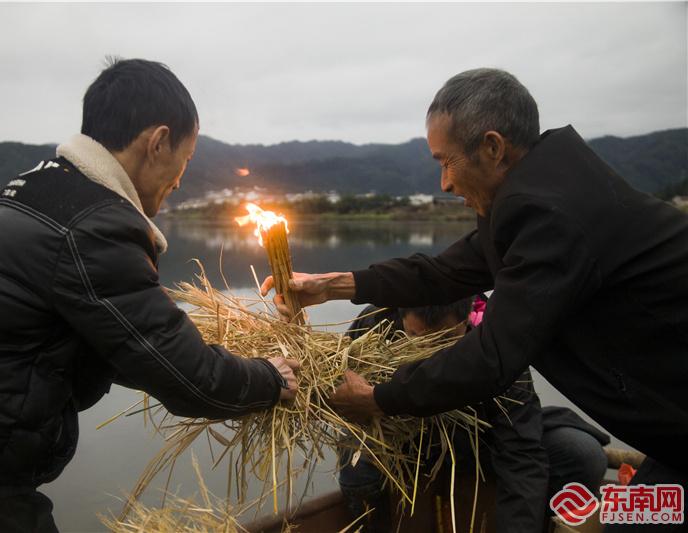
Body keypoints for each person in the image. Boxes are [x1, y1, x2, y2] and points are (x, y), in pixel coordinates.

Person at [0, 59, 299, 532]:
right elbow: (191, 381)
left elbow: (120, 341)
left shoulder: (37, 190)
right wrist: (270, 377)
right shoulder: (95, 226)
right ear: (158, 142)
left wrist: (196, 348)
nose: (181, 179)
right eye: (184, 161)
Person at [262, 68, 688, 502]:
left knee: (640, 518)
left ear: (492, 147)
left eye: (446, 161)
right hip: (670, 425)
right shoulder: (536, 196)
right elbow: (442, 273)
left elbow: (494, 355)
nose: (444, 183)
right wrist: (332, 285)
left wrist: (380, 398)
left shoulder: (553, 214)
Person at [338, 299, 609, 533]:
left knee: (580, 454)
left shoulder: (497, 343)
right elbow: (338, 386)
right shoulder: (376, 323)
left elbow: (520, 452)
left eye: (444, 340)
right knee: (356, 456)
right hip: (406, 445)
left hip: (478, 442)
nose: (428, 353)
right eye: (415, 336)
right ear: (401, 313)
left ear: (466, 318)